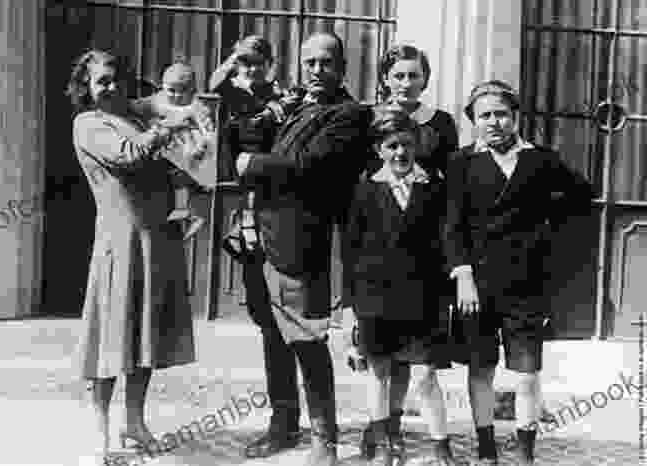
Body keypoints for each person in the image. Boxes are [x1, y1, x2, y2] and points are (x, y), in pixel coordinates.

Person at [236, 32, 373, 466]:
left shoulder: (349, 115)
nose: (316, 71)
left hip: (302, 242)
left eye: (326, 62)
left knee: (307, 342)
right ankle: (283, 425)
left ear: (341, 68)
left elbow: (310, 169)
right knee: (272, 337)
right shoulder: (294, 106)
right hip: (260, 240)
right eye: (309, 62)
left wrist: (251, 165)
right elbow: (241, 135)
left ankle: (325, 442)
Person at [444, 80, 595, 466]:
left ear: (515, 117)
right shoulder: (462, 162)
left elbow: (580, 197)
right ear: (473, 121)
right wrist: (462, 274)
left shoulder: (541, 161)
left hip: (527, 285)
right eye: (484, 116)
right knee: (481, 370)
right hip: (475, 287)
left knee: (527, 374)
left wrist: (546, 240)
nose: (493, 122)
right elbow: (453, 224)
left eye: (501, 114)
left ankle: (526, 453)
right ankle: (486, 449)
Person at [67, 50, 196, 460]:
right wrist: (165, 129)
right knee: (111, 339)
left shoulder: (138, 119)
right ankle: (99, 430)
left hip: (156, 238)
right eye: (101, 80)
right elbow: (128, 157)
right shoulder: (88, 123)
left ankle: (135, 423)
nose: (111, 87)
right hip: (120, 241)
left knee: (145, 339)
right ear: (85, 87)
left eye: (117, 79)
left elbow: (169, 163)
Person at [345, 107, 459, 466]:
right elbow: (350, 252)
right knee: (380, 373)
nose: (400, 153)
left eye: (406, 145)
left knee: (425, 376)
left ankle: (442, 448)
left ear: (417, 146)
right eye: (392, 145)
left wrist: (446, 301)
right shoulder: (364, 191)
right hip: (375, 301)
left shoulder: (434, 189)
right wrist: (350, 306)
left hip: (423, 301)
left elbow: (447, 244)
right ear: (380, 149)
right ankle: (385, 445)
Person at [209, 35, 306, 460]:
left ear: (270, 63)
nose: (249, 69)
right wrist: (231, 65)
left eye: (256, 62)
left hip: (281, 217)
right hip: (248, 220)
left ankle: (289, 422)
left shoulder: (282, 99)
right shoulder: (226, 97)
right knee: (267, 322)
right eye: (243, 62)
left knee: (288, 323)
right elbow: (211, 101)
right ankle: (284, 419)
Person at [131, 59, 216, 240]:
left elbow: (208, 131)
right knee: (169, 178)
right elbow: (134, 108)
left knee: (195, 180)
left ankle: (197, 213)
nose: (177, 96)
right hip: (165, 146)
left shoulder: (197, 107)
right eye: (171, 90)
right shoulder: (155, 102)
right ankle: (179, 211)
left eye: (183, 91)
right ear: (163, 88)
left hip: (189, 148)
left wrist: (203, 145)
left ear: (193, 91)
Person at [374, 44, 458, 177]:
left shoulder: (441, 121)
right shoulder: (371, 118)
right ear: (385, 79)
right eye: (399, 76)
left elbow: (452, 174)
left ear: (424, 79)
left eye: (413, 76)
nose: (407, 84)